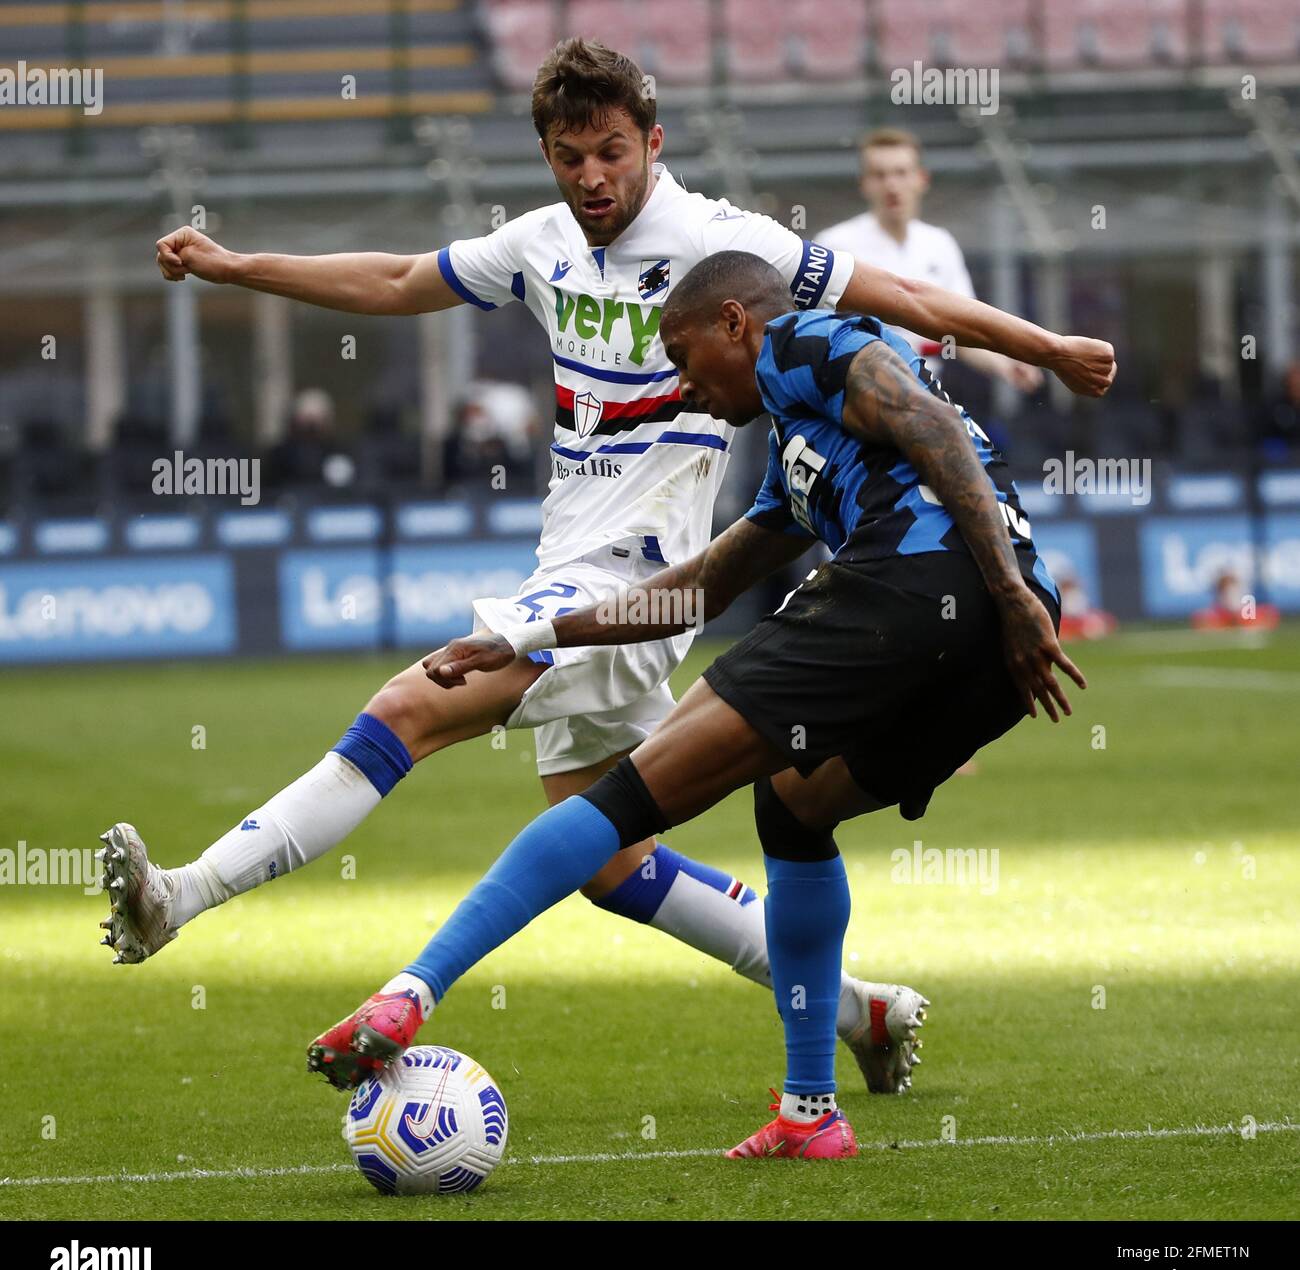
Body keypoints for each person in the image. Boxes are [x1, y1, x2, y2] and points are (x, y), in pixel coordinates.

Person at [102, 39, 1112, 1097]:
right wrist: (233, 264)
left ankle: (185, 893)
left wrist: (1047, 348)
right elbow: (401, 278)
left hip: (643, 571)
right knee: (607, 852)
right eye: (569, 154)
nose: (591, 177)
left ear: (651, 143)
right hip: (572, 558)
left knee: (409, 706)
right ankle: (859, 1007)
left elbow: (902, 296)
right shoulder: (536, 244)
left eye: (612, 152)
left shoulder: (727, 243)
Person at [306, 250, 1086, 1159]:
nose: (683, 386)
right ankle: (811, 1115)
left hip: (926, 585)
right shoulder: (800, 453)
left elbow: (934, 424)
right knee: (794, 806)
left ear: (734, 324)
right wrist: (530, 638)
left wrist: (1009, 594)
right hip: (990, 643)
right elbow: (697, 592)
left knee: (622, 800)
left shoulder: (804, 341)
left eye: (684, 358)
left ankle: (413, 990)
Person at [817, 128, 1043, 393]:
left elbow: (962, 330)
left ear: (921, 178)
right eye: (879, 175)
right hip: (853, 398)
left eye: (900, 173)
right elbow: (816, 335)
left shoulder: (939, 243)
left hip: (925, 398)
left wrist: (1005, 366)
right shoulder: (834, 245)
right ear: (864, 183)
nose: (891, 185)